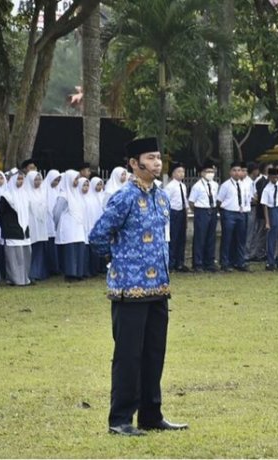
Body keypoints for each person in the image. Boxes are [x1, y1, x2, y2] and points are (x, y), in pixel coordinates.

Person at [89, 137, 187, 437]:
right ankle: (120, 419)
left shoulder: (160, 197)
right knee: (128, 356)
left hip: (158, 287)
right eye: (150, 157)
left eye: (159, 157)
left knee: (154, 353)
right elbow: (97, 236)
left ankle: (150, 414)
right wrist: (120, 263)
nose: (157, 163)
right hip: (129, 290)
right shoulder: (124, 197)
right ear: (134, 163)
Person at [0, 169, 32, 286]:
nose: (20, 181)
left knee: (25, 255)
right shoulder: (6, 196)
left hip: (24, 229)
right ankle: (14, 279)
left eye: (22, 179)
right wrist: (7, 226)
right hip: (12, 230)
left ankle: (24, 277)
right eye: (18, 179)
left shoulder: (25, 194)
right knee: (14, 257)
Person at [53, 170, 87, 281]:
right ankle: (70, 273)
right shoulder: (64, 195)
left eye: (78, 179)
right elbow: (57, 212)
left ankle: (78, 273)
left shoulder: (76, 193)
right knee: (70, 250)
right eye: (75, 179)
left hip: (78, 226)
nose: (77, 182)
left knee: (79, 248)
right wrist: (58, 225)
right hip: (68, 227)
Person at [217, 161, 250, 272]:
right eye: (234, 170)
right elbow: (219, 201)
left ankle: (239, 261)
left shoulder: (244, 184)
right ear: (230, 172)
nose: (237, 173)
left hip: (242, 212)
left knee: (241, 239)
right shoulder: (226, 185)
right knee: (227, 238)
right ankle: (225, 262)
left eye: (239, 170)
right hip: (229, 213)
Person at [188, 163, 219, 272]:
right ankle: (198, 263)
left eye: (212, 172)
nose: (210, 174)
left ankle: (209, 262)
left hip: (212, 210)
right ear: (202, 173)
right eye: (208, 172)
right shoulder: (197, 186)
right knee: (200, 237)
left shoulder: (215, 185)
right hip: (201, 211)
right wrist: (198, 211)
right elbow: (191, 202)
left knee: (211, 237)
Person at [164, 162, 190, 272]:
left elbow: (184, 199)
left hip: (182, 211)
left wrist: (187, 210)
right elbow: (166, 201)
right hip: (173, 212)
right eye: (179, 172)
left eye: (183, 172)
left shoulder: (183, 186)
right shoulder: (169, 186)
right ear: (173, 173)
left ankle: (180, 262)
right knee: (173, 238)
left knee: (181, 238)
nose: (181, 174)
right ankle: (171, 263)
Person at [25, 171, 50, 281]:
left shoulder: (42, 191)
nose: (38, 182)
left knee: (40, 248)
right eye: (35, 180)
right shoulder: (26, 192)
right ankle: (31, 273)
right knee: (32, 249)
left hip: (41, 224)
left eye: (39, 180)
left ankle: (39, 272)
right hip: (32, 223)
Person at [44, 170, 62, 274]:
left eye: (58, 180)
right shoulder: (44, 190)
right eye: (55, 180)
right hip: (47, 221)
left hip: (55, 221)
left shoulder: (57, 190)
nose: (56, 182)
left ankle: (56, 268)